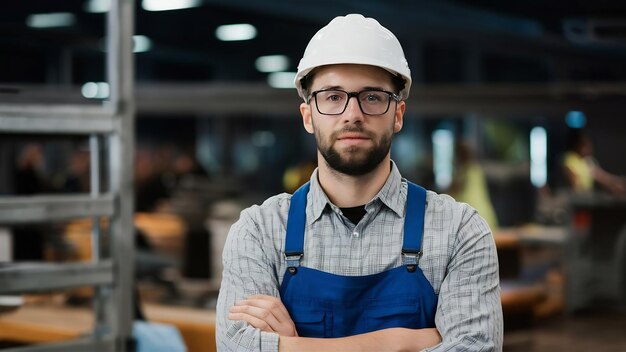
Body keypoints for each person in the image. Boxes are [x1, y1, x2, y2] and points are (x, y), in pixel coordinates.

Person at [216, 14, 502, 351]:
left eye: (372, 97)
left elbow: (476, 347)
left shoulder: (459, 231)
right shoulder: (260, 231)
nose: (353, 113)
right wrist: (398, 342)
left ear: (398, 114)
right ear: (308, 115)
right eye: (333, 97)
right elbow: (237, 346)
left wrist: (292, 346)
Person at [447, 140, 499, 231]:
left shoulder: (462, 173)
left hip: (469, 217)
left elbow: (451, 193)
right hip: (484, 215)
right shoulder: (476, 169)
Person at [562, 130, 625, 195]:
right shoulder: (569, 158)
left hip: (586, 196)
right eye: (585, 145)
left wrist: (617, 182)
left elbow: (601, 177)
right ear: (578, 145)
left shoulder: (588, 160)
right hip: (574, 197)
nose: (589, 148)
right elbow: (573, 182)